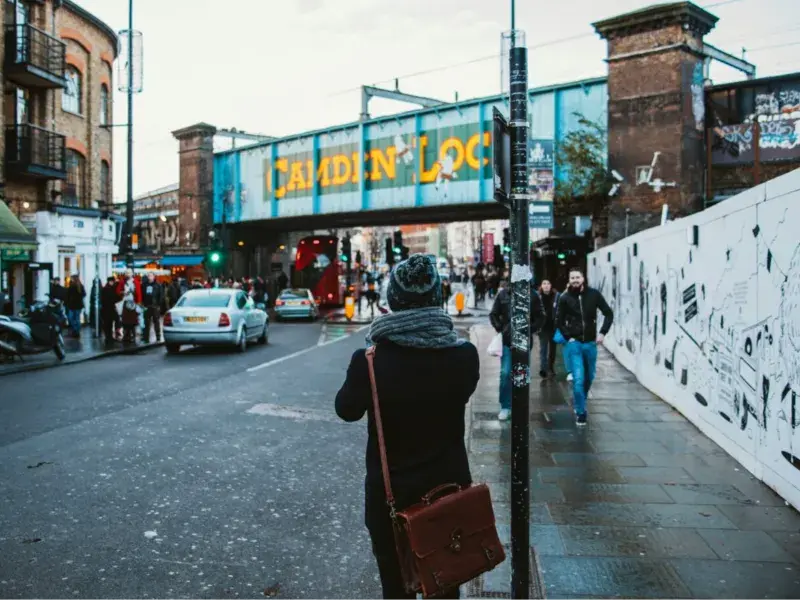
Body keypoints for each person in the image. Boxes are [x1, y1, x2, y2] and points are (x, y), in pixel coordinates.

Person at [335, 254, 478, 600]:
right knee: (445, 583)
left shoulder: (368, 362)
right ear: (437, 298)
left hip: (389, 500)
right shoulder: (464, 357)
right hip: (447, 494)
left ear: (393, 300)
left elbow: (346, 410)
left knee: (395, 589)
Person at [555, 268, 614, 426]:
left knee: (589, 377)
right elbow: (558, 320)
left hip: (590, 344)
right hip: (574, 344)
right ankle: (581, 412)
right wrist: (569, 337)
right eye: (572, 277)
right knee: (579, 378)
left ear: (583, 278)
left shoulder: (593, 294)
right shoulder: (565, 297)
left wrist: (602, 333)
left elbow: (608, 313)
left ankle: (579, 398)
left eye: (577, 277)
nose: (575, 280)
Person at [490, 279, 543, 421]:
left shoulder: (532, 295)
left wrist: (530, 329)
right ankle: (505, 406)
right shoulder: (503, 294)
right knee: (506, 373)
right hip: (507, 341)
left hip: (524, 342)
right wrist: (501, 328)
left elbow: (540, 316)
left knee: (521, 374)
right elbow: (493, 314)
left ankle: (519, 405)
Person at [536, 279, 560, 378]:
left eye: (548, 283)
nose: (546, 286)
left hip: (553, 326)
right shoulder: (538, 296)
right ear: (541, 286)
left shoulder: (556, 296)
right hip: (543, 327)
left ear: (551, 285)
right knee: (543, 349)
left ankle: (550, 367)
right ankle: (543, 368)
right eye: (544, 283)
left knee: (553, 350)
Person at [141, 273, 163, 343]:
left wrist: (159, 305)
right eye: (148, 276)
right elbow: (142, 294)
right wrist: (143, 304)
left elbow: (161, 295)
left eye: (151, 276)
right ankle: (146, 338)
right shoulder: (144, 285)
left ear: (154, 277)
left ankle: (158, 337)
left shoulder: (158, 285)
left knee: (156, 322)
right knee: (146, 322)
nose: (149, 277)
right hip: (146, 306)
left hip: (155, 306)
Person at [100, 277, 120, 345]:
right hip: (108, 309)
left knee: (109, 324)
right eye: (111, 281)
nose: (112, 283)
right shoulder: (107, 289)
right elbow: (114, 298)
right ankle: (108, 337)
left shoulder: (107, 289)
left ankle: (109, 337)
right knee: (108, 324)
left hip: (108, 309)